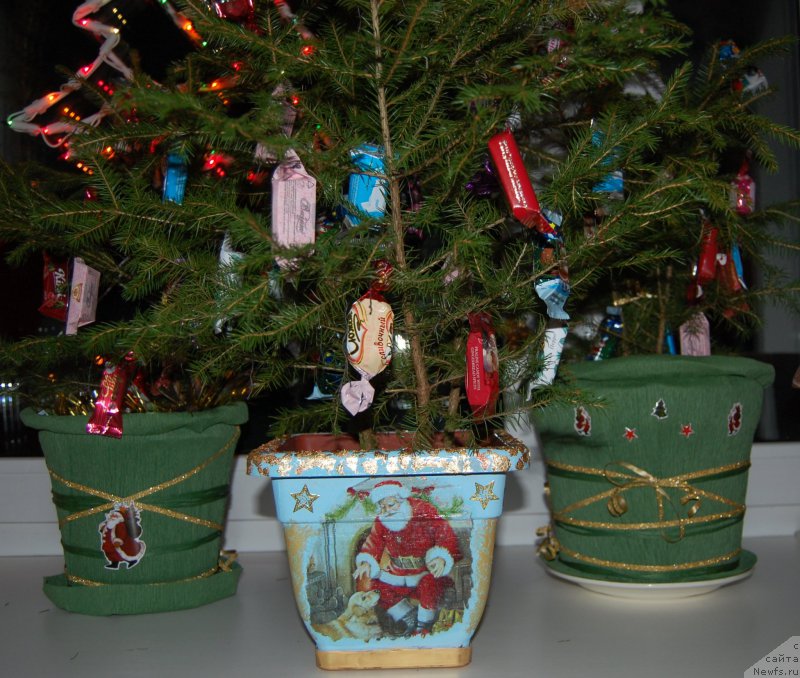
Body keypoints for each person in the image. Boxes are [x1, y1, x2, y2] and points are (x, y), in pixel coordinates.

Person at [353, 479, 461, 635]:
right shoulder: (382, 520)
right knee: (378, 588)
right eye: (383, 507)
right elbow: (373, 541)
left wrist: (441, 558)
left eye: (391, 505)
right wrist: (366, 561)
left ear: (401, 499)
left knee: (429, 586)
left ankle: (423, 625)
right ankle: (408, 617)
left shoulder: (423, 510)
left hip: (425, 571)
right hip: (397, 574)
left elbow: (444, 533)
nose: (387, 510)